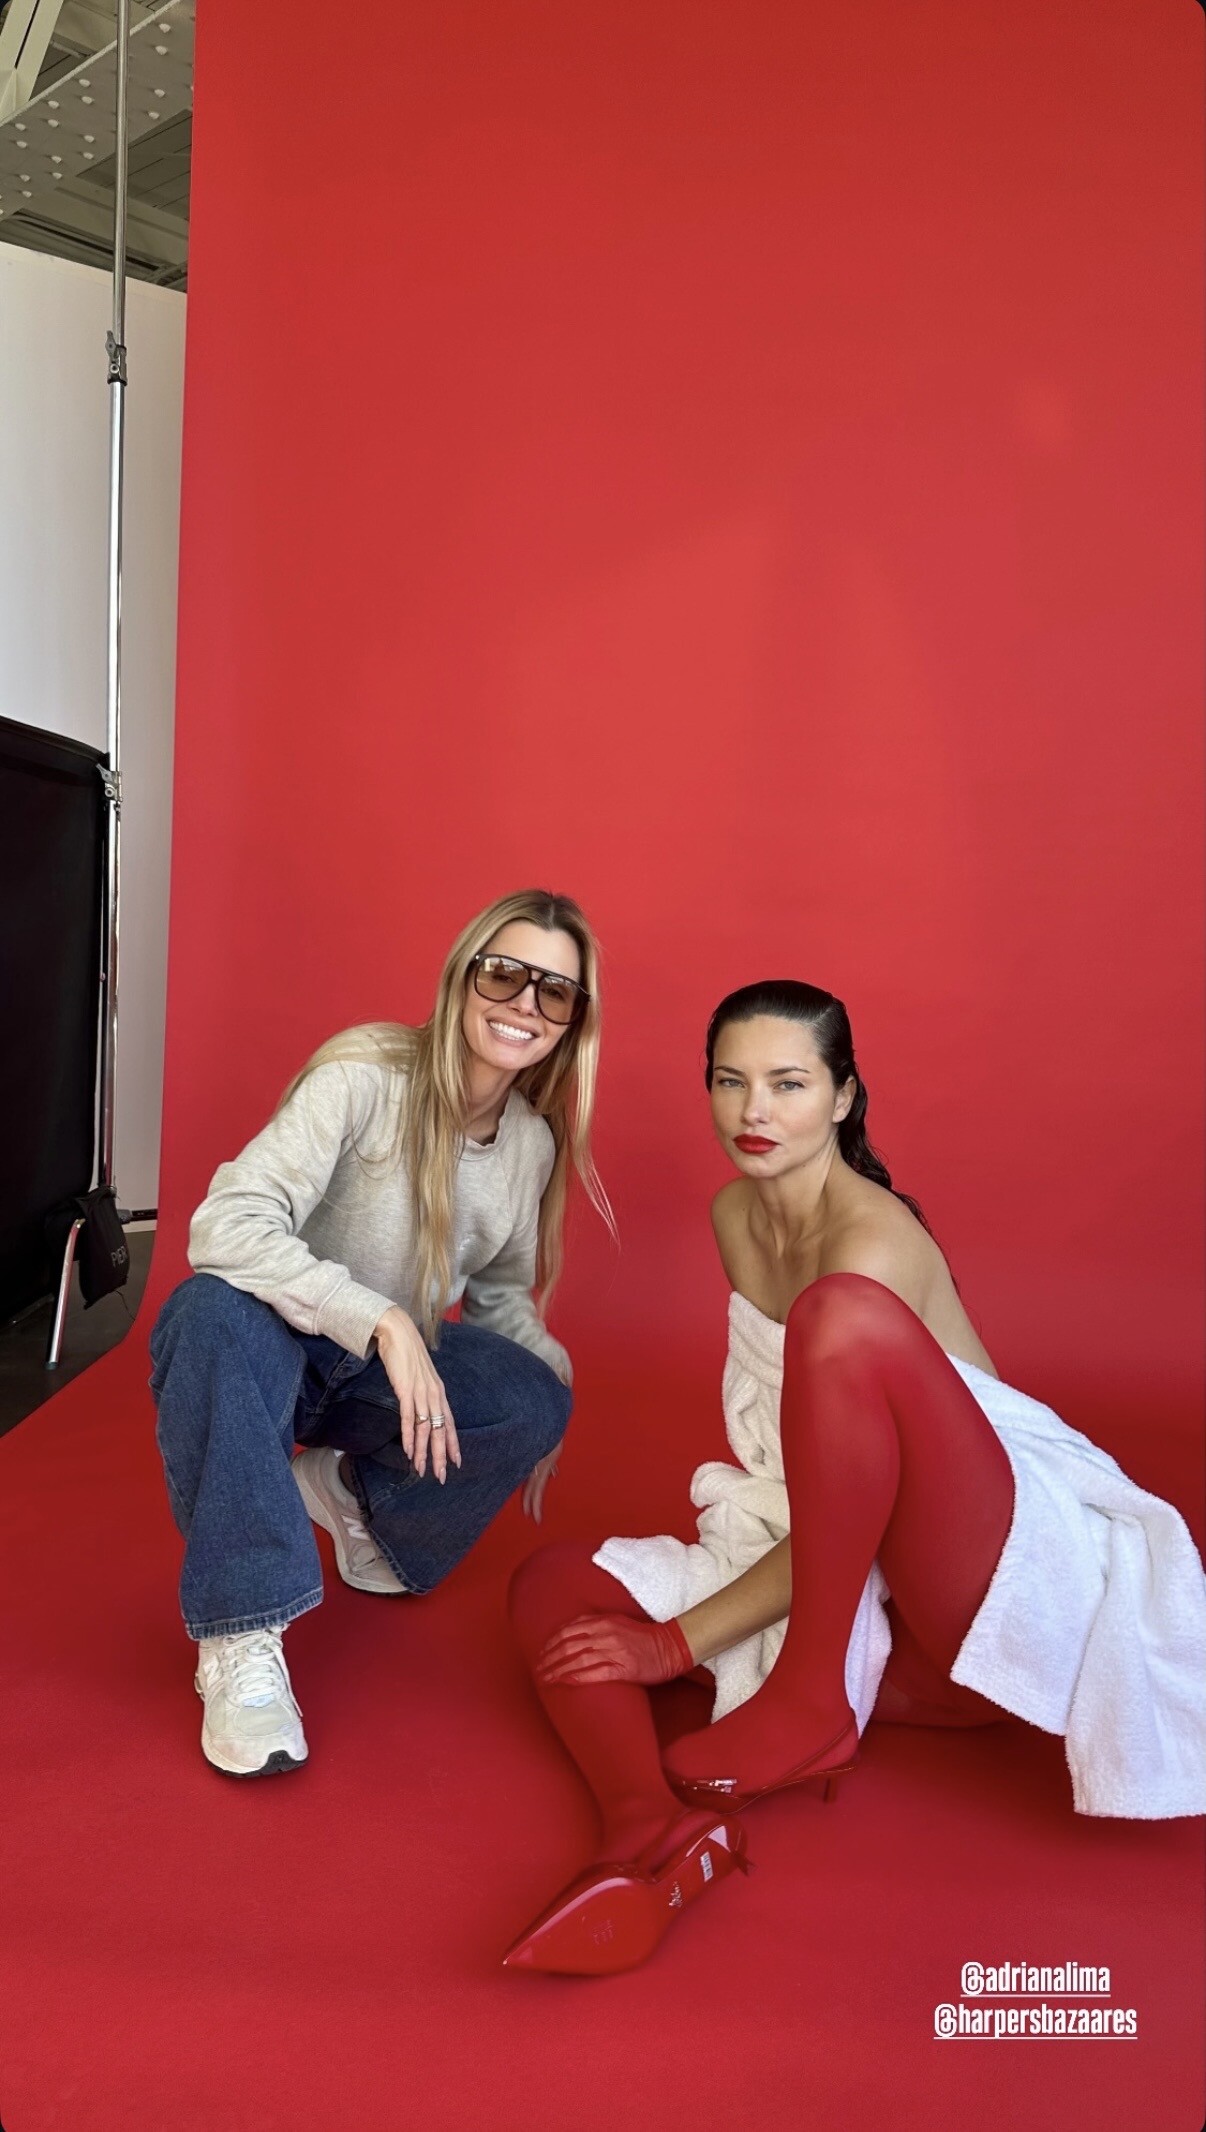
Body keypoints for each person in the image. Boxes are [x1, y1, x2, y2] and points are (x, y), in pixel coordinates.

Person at [505, 980, 1206, 1976]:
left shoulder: (870, 1242)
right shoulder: (734, 1215)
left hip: (981, 1587)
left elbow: (867, 1513)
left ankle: (812, 1697)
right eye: (731, 1081)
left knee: (839, 1312)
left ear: (842, 1097)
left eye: (789, 1083)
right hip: (851, 1589)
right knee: (552, 1585)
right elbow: (825, 1492)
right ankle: (645, 1826)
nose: (754, 1110)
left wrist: (675, 1643)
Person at [150, 889, 612, 1779]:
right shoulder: (361, 1076)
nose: (524, 1004)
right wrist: (383, 1318)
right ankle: (242, 1632)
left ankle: (347, 1490)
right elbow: (225, 1226)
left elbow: (501, 1298)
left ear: (572, 1021)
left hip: (370, 1380)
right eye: (505, 974)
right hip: (267, 1350)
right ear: (463, 977)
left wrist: (547, 1386)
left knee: (534, 1394)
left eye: (554, 991)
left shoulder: (530, 1145)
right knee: (204, 1311)